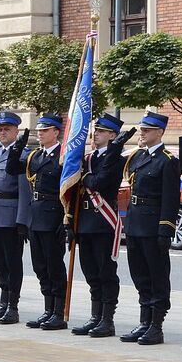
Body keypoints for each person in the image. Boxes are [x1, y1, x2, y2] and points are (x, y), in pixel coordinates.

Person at [66, 113, 131, 337]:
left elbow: (100, 182)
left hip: (103, 221)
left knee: (106, 272)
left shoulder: (117, 159)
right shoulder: (87, 159)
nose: (97, 134)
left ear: (113, 135)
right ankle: (95, 317)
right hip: (84, 221)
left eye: (102, 131)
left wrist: (86, 178)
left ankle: (107, 319)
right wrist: (70, 222)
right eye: (97, 130)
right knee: (91, 272)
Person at [120, 111, 179, 346]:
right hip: (135, 224)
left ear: (159, 132)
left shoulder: (167, 160)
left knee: (157, 276)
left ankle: (156, 325)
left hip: (153, 225)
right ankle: (144, 321)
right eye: (142, 129)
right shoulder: (137, 157)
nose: (141, 133)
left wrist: (165, 229)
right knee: (139, 275)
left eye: (146, 130)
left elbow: (171, 199)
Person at [7, 114, 67, 330]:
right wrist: (17, 147)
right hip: (36, 216)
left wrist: (65, 220)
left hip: (53, 216)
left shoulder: (63, 156)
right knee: (40, 266)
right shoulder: (35, 156)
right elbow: (12, 169)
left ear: (56, 132)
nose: (40, 133)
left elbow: (68, 191)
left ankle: (58, 313)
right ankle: (48, 309)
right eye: (39, 130)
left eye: (45, 130)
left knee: (54, 266)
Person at [0, 111, 32, 325]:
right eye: (0, 129)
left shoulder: (21, 154)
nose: (2, 133)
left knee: (12, 262)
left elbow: (24, 189)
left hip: (10, 214)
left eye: (6, 129)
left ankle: (12, 305)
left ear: (16, 131)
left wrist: (22, 219)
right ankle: (2, 302)